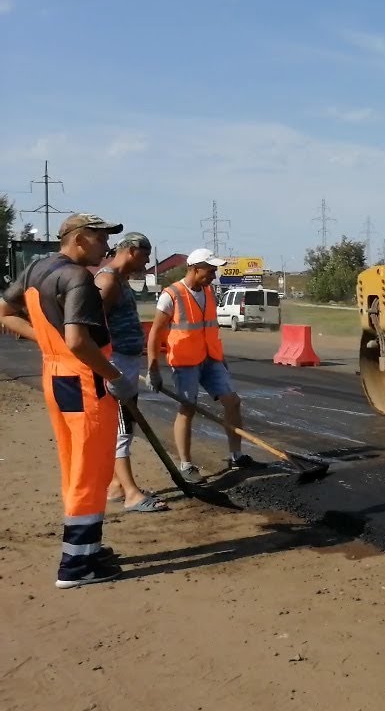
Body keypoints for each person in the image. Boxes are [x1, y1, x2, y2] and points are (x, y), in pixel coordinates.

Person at [0, 212, 138, 588]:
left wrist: (48, 342)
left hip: (56, 377)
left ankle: (87, 549)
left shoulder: (36, 270)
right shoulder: (78, 278)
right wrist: (115, 376)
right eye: (100, 239)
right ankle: (76, 567)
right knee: (90, 471)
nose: (107, 247)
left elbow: (4, 313)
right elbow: (79, 341)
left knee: (75, 465)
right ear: (78, 240)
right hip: (84, 381)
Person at [146, 248, 262, 482]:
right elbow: (155, 334)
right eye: (210, 271)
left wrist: (221, 359)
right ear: (194, 268)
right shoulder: (172, 294)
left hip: (211, 359)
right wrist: (153, 369)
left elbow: (210, 329)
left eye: (214, 271)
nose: (213, 275)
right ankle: (186, 465)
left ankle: (236, 456)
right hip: (185, 361)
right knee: (187, 408)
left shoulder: (209, 292)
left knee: (233, 401)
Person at [95, 232, 168, 512]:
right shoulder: (108, 279)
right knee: (123, 429)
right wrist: (109, 367)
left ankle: (116, 486)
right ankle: (131, 494)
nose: (148, 261)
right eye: (146, 256)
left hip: (124, 361)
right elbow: (93, 323)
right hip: (116, 363)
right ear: (133, 251)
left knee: (124, 426)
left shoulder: (120, 280)